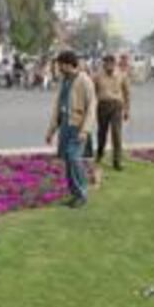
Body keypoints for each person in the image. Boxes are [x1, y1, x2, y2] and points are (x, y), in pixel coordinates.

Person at [45, 51, 97, 208]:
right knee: (68, 160)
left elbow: (92, 107)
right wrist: (51, 130)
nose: (59, 68)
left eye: (60, 64)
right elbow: (57, 108)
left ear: (68, 64)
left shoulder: (84, 80)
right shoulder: (65, 81)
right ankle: (74, 194)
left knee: (74, 158)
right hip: (65, 126)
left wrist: (85, 130)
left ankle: (81, 194)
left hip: (78, 127)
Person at [92, 54, 131, 170]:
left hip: (117, 106)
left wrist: (127, 110)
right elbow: (92, 93)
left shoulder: (121, 75)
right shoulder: (97, 76)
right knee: (101, 133)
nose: (109, 65)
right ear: (103, 64)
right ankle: (99, 153)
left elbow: (127, 93)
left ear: (114, 63)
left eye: (111, 63)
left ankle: (117, 161)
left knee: (116, 134)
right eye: (106, 63)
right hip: (102, 106)